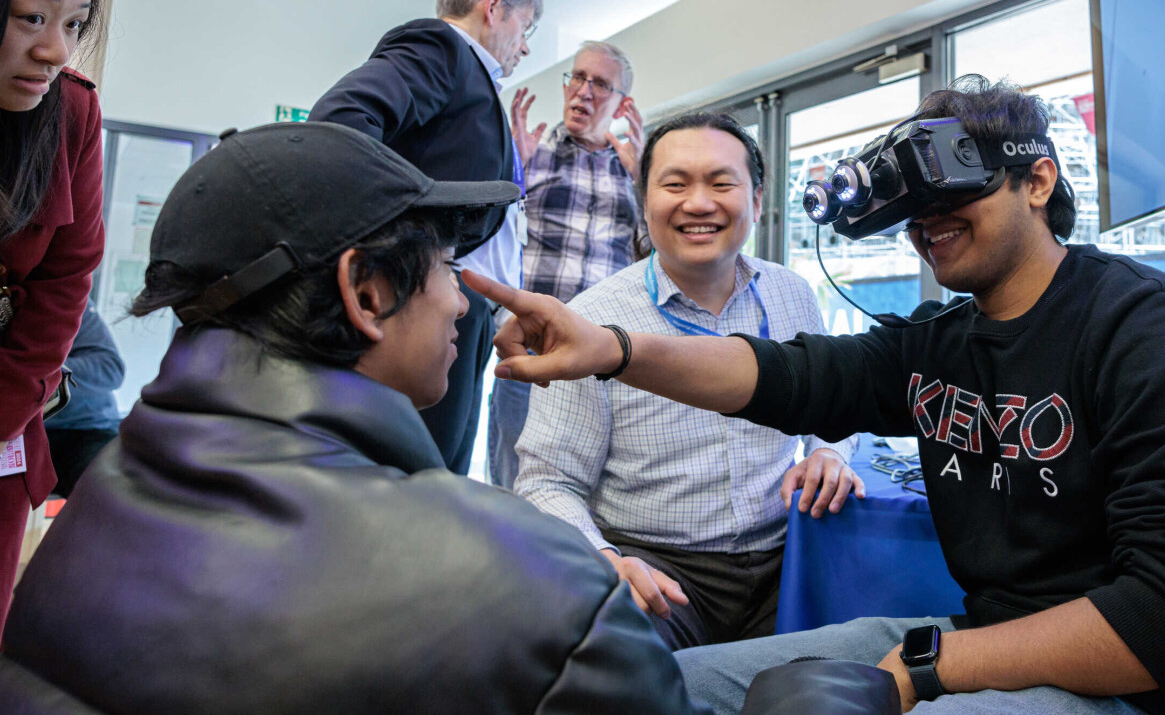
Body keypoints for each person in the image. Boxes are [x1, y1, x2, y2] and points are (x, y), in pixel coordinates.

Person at [464, 76, 1165, 714]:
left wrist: (931, 668)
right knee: (664, 689)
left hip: (1158, 691)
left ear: (1038, 181)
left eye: (954, 191)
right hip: (984, 641)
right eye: (914, 204)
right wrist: (609, 350)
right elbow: (781, 375)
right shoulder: (940, 343)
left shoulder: (1153, 335)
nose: (927, 220)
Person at [0, 122, 710, 714]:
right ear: (367, 293)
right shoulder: (535, 583)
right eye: (444, 266)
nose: (463, 302)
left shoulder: (94, 502)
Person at [514, 112, 860, 651]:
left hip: (787, 560)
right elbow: (546, 481)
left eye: (722, 183)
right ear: (644, 199)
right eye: (675, 184)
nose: (698, 203)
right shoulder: (592, 319)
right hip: (656, 572)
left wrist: (830, 452)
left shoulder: (793, 295)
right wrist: (604, 561)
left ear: (758, 199)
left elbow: (839, 402)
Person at [309, 0, 541, 475]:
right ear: (494, 6)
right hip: (433, 298)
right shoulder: (441, 47)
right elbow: (341, 122)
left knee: (443, 470)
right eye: (526, 28)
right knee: (423, 477)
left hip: (464, 305)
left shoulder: (474, 78)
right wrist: (414, 251)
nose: (525, 49)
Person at [489, 40, 646, 488]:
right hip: (531, 349)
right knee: (513, 486)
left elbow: (654, 258)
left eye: (600, 83)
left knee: (593, 489)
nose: (583, 91)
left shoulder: (632, 169)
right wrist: (508, 177)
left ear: (622, 103)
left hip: (605, 357)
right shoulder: (531, 152)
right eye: (577, 77)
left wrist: (645, 186)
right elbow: (489, 240)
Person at [0, 0, 102, 634]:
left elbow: (69, 276)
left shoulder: (71, 112)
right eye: (32, 18)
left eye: (73, 24)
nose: (56, 52)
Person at [44, 301, 124, 497]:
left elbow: (109, 369)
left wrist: (38, 369)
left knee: (110, 492)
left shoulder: (62, 294)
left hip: (83, 429)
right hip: (20, 434)